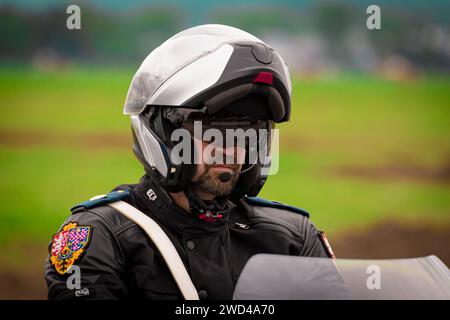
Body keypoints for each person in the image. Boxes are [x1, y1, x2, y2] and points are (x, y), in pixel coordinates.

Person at [44, 24, 335, 300]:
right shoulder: (102, 236)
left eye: (246, 136)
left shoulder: (292, 238)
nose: (231, 151)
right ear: (163, 132)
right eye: (213, 133)